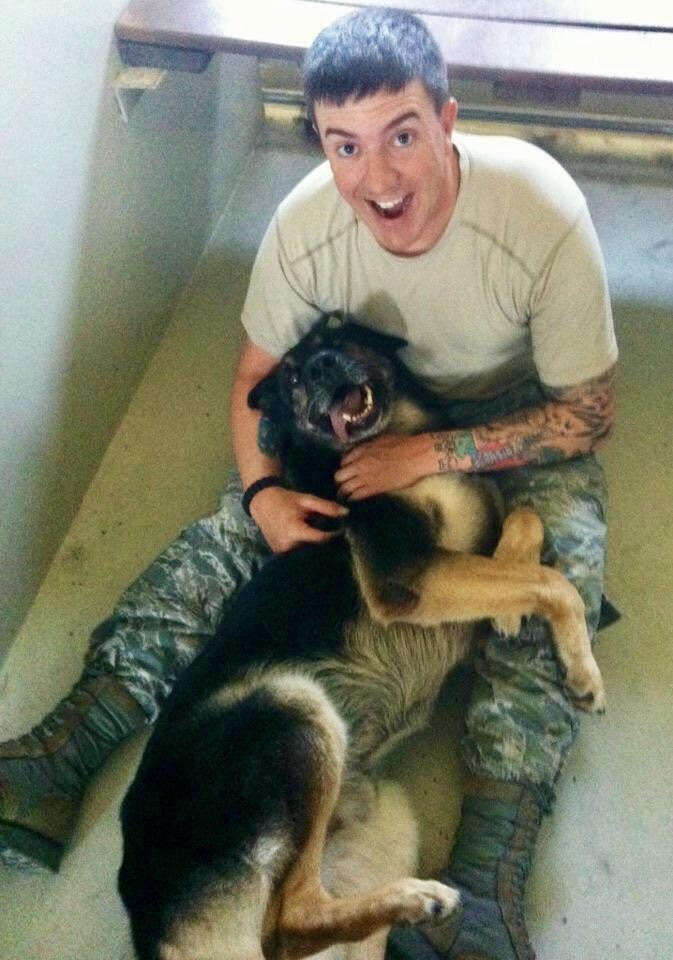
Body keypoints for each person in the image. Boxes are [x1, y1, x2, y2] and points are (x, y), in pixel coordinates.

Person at [0, 8, 617, 960]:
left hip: (501, 419)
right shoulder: (306, 226)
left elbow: (585, 413)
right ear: (322, 145)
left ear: (446, 119)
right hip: (364, 426)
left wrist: (436, 456)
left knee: (560, 559)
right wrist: (261, 496)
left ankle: (490, 856)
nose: (377, 177)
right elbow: (255, 379)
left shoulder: (534, 206)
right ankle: (67, 748)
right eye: (346, 145)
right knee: (231, 540)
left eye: (402, 135)